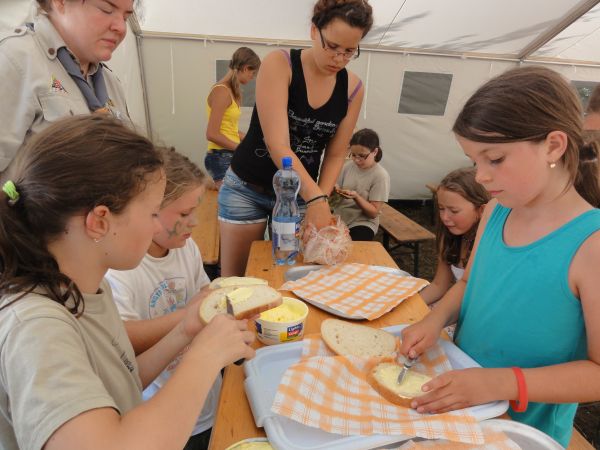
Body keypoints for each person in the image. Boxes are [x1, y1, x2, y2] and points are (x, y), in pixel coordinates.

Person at [0, 114, 255, 450]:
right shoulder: (35, 327)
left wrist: (186, 332)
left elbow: (123, 382)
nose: (155, 229)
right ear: (100, 221)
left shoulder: (88, 289)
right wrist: (205, 357)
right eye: (152, 213)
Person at [400, 66, 600, 447]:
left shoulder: (592, 244)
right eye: (474, 160)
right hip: (458, 402)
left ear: (553, 147)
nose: (480, 177)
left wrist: (501, 381)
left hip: (518, 431)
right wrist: (435, 318)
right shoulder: (495, 212)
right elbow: (471, 283)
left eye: (494, 159)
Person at [218, 0, 373, 276]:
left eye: (350, 51)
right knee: (237, 280)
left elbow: (337, 154)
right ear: (315, 31)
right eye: (332, 46)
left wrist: (320, 200)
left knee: (297, 278)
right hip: (248, 188)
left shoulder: (353, 88)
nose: (339, 58)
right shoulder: (281, 63)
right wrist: (316, 200)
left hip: (300, 195)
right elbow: (277, 144)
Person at [106, 147, 217, 450]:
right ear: (151, 210)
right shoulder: (122, 270)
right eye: (184, 213)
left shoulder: (187, 249)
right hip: (160, 413)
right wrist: (188, 317)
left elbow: (203, 295)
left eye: (196, 210)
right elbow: (122, 339)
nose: (195, 222)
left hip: (206, 399)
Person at [0, 0, 133, 172]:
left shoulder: (110, 82)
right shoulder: (15, 61)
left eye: (126, 17)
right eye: (106, 10)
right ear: (60, 2)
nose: (121, 28)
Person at [419, 167, 489, 305]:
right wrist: (411, 306)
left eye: (454, 211)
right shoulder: (449, 237)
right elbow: (439, 285)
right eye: (441, 208)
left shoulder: (489, 246)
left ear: (481, 210)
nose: (445, 217)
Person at [205, 47, 260, 189]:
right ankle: (206, 184)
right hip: (221, 156)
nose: (252, 78)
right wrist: (241, 148)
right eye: (253, 73)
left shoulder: (230, 92)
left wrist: (251, 140)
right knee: (232, 205)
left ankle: (208, 185)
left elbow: (230, 130)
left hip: (229, 154)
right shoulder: (221, 91)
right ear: (246, 68)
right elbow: (212, 134)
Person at [333, 128, 390, 241]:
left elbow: (373, 213)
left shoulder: (380, 176)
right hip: (340, 218)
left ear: (375, 152)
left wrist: (356, 197)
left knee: (353, 248)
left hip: (362, 223)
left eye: (362, 156)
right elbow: (336, 192)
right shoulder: (348, 167)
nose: (357, 160)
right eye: (353, 155)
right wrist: (335, 189)